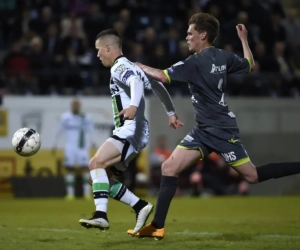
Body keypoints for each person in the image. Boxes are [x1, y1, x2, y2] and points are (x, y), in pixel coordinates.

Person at [127, 13, 300, 239]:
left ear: (203, 35)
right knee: (168, 168)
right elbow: (249, 65)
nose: (186, 37)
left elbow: (161, 76)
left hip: (220, 130)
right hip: (203, 130)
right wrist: (244, 39)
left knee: (252, 176)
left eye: (190, 33)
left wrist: (135, 64)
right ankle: (158, 226)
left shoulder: (195, 62)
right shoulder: (223, 57)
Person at [78, 29, 183, 233]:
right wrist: (171, 112)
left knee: (95, 163)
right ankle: (140, 206)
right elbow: (158, 86)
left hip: (131, 129)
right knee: (97, 177)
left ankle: (101, 216)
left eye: (99, 50)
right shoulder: (134, 66)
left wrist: (134, 105)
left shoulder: (119, 67)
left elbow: (135, 84)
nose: (98, 55)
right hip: (136, 132)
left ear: (108, 48)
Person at [52, 99, 96, 200]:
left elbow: (91, 130)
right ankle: (70, 194)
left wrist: (94, 142)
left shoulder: (85, 117)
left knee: (85, 168)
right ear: (71, 106)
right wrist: (55, 144)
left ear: (80, 106)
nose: (75, 107)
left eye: (77, 105)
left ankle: (86, 193)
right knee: (69, 168)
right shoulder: (65, 117)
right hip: (70, 148)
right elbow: (59, 131)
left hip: (82, 147)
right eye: (74, 105)